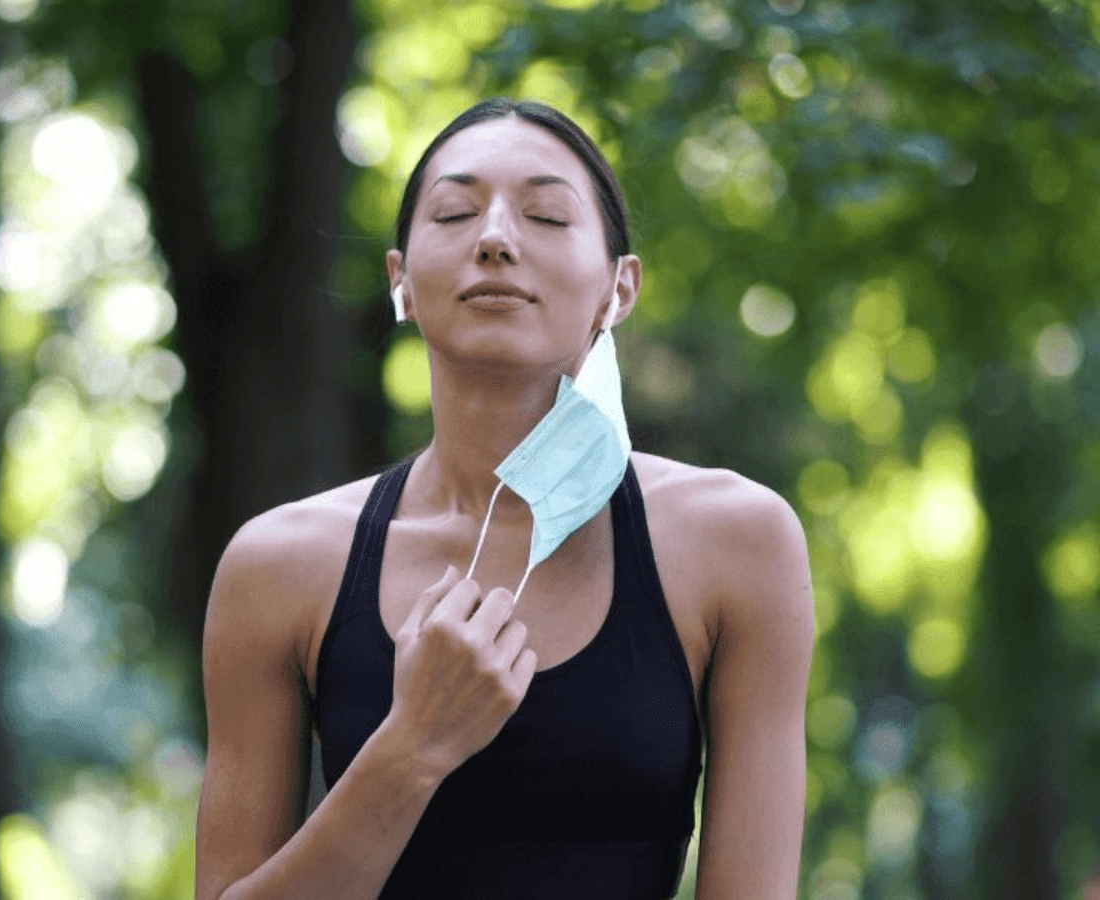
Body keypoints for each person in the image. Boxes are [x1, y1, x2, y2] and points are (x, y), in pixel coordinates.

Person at [194, 98, 814, 900]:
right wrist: (411, 748)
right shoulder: (279, 563)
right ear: (401, 282)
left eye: (547, 216)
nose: (494, 238)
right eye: (454, 212)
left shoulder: (737, 542)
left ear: (618, 291)